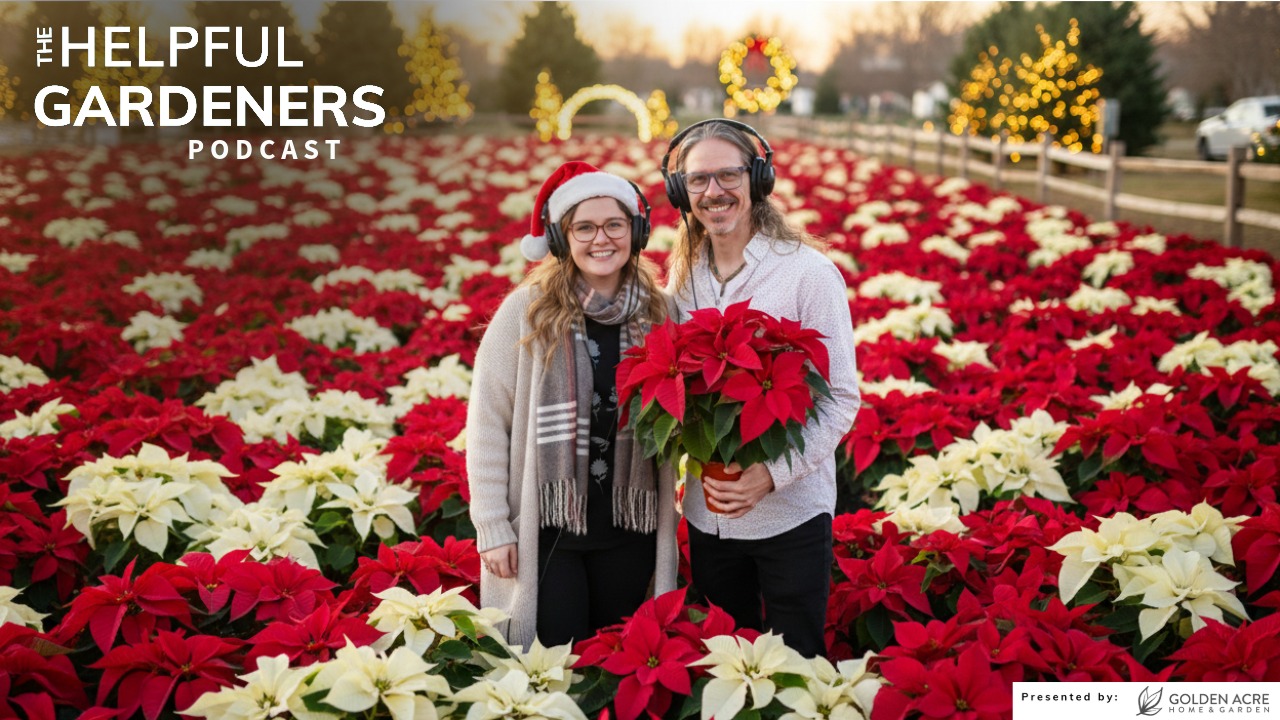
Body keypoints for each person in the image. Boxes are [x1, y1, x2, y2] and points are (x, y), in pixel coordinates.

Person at [661, 118, 861, 657]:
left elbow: (842, 397)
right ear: (681, 192)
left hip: (791, 516)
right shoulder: (681, 281)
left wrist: (770, 476)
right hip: (709, 518)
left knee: (797, 665)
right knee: (728, 661)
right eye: (698, 180)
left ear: (758, 180)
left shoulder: (809, 275)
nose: (714, 192)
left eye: (728, 175)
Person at [466, 161, 679, 649]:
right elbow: (486, 425)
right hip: (548, 537)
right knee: (556, 669)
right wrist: (493, 525)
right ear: (562, 239)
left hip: (631, 529)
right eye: (584, 227)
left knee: (616, 667)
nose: (600, 239)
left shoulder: (662, 312)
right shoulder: (527, 311)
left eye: (614, 225)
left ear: (637, 232)